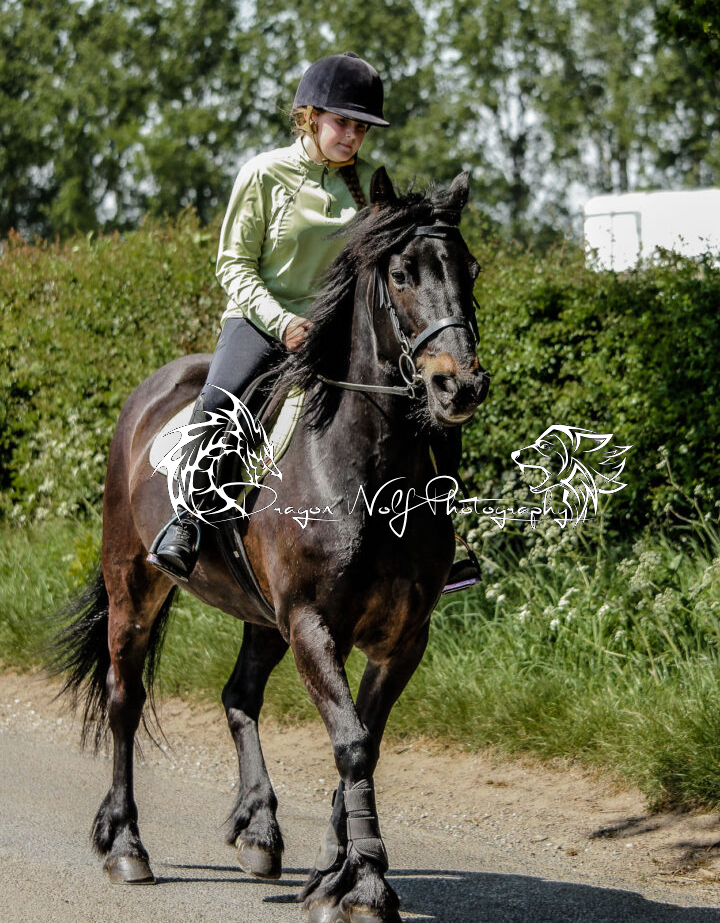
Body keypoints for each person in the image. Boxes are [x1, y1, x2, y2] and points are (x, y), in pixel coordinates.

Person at [147, 51, 480, 593]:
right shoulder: (263, 174)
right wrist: (281, 321)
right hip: (262, 320)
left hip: (337, 331)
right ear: (310, 116)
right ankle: (187, 522)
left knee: (425, 406)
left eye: (361, 128)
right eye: (342, 123)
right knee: (220, 401)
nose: (352, 136)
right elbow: (232, 264)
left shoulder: (367, 184)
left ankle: (442, 536)